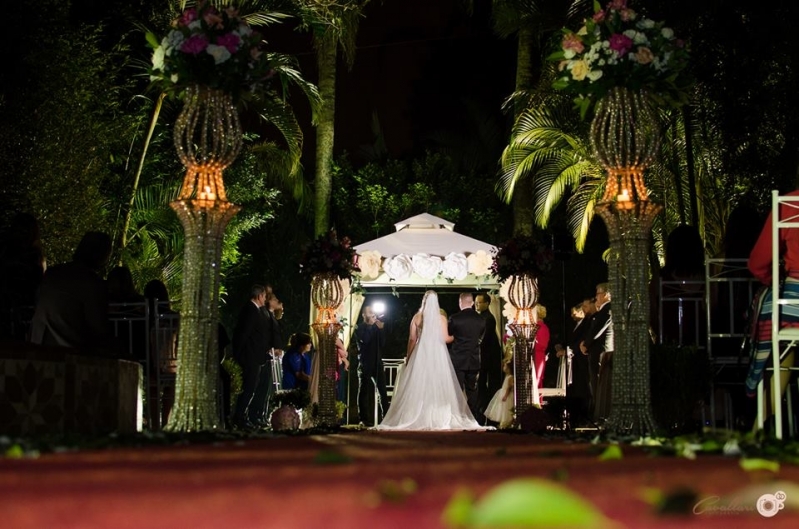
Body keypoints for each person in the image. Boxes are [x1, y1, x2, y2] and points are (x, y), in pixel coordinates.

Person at [377, 290, 484, 431]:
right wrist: (458, 337)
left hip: (421, 353)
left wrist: (409, 357)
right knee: (438, 385)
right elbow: (446, 339)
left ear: (424, 301)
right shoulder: (441, 319)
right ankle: (437, 416)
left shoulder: (417, 317)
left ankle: (416, 415)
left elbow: (412, 339)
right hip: (438, 354)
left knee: (419, 385)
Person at [745, 193, 799, 424]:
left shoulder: (789, 204)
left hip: (794, 305)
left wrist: (773, 281)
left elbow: (757, 263)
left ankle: (762, 427)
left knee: (787, 346)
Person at [29, 231, 112, 352]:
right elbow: (99, 326)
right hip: (69, 350)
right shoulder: (91, 282)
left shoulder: (53, 273)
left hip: (38, 342)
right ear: (102, 255)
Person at [231, 284, 271, 430]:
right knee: (248, 387)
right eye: (264, 296)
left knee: (251, 387)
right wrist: (238, 353)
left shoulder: (254, 310)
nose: (265, 299)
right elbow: (243, 333)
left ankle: (242, 415)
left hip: (254, 355)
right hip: (249, 356)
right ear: (259, 296)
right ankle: (239, 416)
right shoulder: (251, 310)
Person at [448, 292, 486, 422]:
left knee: (456, 389)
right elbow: (481, 338)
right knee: (472, 390)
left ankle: (456, 417)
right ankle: (473, 416)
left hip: (458, 359)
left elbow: (450, 333)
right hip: (474, 359)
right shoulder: (481, 319)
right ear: (472, 303)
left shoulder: (455, 318)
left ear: (460, 302)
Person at [249, 292, 284, 425]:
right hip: (265, 356)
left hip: (271, 356)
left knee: (266, 389)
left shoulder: (272, 317)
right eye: (275, 299)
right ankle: (255, 414)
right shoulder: (265, 316)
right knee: (262, 387)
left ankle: (261, 413)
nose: (278, 301)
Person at [581, 284, 613, 422]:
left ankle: (600, 416)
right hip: (599, 351)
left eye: (598, 293)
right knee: (596, 385)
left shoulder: (608, 309)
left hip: (601, 351)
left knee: (598, 385)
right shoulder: (605, 310)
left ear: (606, 294)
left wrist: (586, 344)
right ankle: (598, 415)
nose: (596, 297)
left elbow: (598, 329)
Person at [354, 304, 388, 426]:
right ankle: (364, 418)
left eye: (373, 312)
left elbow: (383, 343)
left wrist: (381, 329)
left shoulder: (376, 327)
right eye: (369, 312)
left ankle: (386, 417)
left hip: (377, 363)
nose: (372, 314)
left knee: (382, 391)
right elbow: (365, 340)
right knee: (364, 391)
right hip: (365, 363)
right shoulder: (359, 327)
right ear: (363, 315)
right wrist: (370, 326)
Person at [475, 292, 503, 418]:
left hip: (489, 357)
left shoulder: (488, 318)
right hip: (487, 356)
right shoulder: (482, 317)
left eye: (480, 302)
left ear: (487, 303)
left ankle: (484, 409)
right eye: (476, 303)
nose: (477, 305)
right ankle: (482, 408)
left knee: (486, 383)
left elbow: (484, 339)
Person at [484, 358, 514, 429]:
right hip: (503, 393)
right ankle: (502, 423)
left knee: (506, 410)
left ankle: (505, 423)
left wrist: (506, 396)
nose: (504, 368)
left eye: (505, 367)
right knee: (502, 409)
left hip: (506, 395)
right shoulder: (507, 377)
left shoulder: (510, 377)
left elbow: (509, 388)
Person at [533, 304, 550, 389]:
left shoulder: (542, 327)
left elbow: (542, 345)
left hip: (538, 357)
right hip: (534, 356)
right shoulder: (535, 326)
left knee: (536, 380)